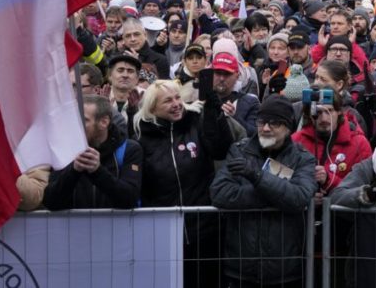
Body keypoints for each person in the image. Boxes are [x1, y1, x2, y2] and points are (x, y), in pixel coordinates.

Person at [134, 80, 233, 287]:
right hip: (163, 230)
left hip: (204, 228)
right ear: (152, 108)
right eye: (168, 101)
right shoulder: (142, 137)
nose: (176, 104)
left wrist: (217, 115)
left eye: (178, 97)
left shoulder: (195, 122)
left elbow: (221, 149)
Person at [210, 96, 317, 287]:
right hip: (241, 268)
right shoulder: (239, 150)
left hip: (285, 270)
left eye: (274, 123)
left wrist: (257, 177)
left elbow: (299, 198)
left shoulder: (303, 159)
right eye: (261, 122)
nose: (266, 128)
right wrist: (276, 196)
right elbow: (220, 193)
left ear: (288, 127)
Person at [43, 95, 143, 209]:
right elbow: (50, 202)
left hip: (116, 225)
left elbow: (129, 199)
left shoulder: (129, 149)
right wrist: (74, 170)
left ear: (104, 122)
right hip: (73, 226)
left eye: (83, 120)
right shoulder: (64, 149)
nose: (76, 125)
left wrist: (97, 171)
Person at [291, 80, 371, 196]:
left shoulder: (359, 144)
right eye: (318, 112)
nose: (324, 119)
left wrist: (329, 180)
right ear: (309, 114)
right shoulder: (296, 141)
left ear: (339, 111)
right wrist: (306, 195)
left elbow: (361, 189)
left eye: (329, 111)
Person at [208, 52, 261, 137]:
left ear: (237, 75)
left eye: (226, 74)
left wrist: (234, 118)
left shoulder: (250, 102)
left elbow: (255, 135)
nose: (221, 78)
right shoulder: (201, 100)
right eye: (218, 73)